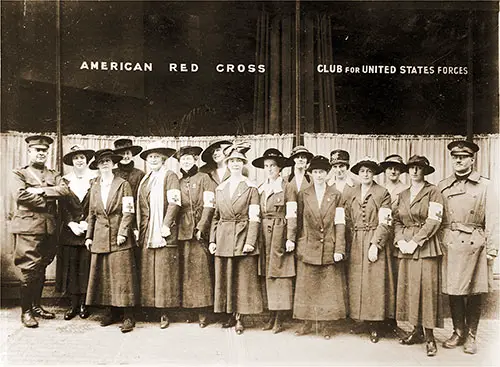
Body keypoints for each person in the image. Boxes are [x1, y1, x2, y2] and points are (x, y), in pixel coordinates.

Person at [438, 140, 498, 354]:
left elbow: (493, 217)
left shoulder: (485, 185)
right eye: (455, 157)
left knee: (474, 291)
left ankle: (471, 335)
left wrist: (492, 248)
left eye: (463, 157)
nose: (458, 160)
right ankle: (458, 331)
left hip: (475, 243)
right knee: (453, 290)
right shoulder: (443, 186)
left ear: (472, 160)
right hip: (450, 243)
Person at [11, 135, 70, 328]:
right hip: (29, 227)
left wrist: (39, 191)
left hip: (49, 227)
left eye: (44, 151)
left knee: (42, 266)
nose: (41, 154)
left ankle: (36, 306)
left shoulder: (54, 174)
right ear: (29, 152)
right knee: (29, 268)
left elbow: (64, 191)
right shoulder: (19, 173)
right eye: (37, 150)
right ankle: (26, 312)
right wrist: (47, 199)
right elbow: (20, 195)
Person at [209, 142, 263, 335]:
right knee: (227, 278)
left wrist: (250, 241)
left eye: (239, 161)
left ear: (244, 164)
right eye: (232, 161)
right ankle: (230, 314)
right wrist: (212, 240)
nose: (235, 164)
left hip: (242, 237)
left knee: (242, 280)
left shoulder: (251, 188)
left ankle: (241, 317)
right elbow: (216, 217)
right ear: (227, 163)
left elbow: (255, 217)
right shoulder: (220, 188)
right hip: (224, 237)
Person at [393, 155, 444, 357]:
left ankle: (430, 336)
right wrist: (400, 241)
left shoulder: (433, 192)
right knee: (410, 289)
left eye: (419, 168)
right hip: (405, 247)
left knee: (427, 290)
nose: (414, 171)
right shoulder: (403, 194)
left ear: (425, 171)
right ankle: (416, 330)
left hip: (425, 246)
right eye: (412, 168)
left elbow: (434, 220)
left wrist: (416, 241)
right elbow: (396, 220)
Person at [293, 155, 348, 339]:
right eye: (315, 172)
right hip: (308, 246)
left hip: (329, 247)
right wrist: (299, 243)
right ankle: (307, 322)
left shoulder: (336, 195)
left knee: (327, 288)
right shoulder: (303, 194)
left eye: (322, 172)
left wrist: (339, 248)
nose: (318, 175)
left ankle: (326, 325)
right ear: (310, 173)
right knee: (307, 286)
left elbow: (340, 223)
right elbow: (299, 221)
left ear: (327, 173)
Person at [85, 149, 139, 333]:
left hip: (119, 237)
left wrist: (123, 232)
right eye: (102, 162)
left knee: (123, 277)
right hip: (100, 237)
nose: (105, 164)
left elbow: (128, 211)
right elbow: (91, 214)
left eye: (108, 161)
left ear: (113, 164)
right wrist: (89, 236)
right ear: (98, 166)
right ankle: (111, 312)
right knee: (105, 276)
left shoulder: (123, 184)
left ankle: (128, 316)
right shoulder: (95, 186)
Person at [344, 157, 395, 343]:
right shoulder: (351, 192)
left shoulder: (383, 193)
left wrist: (376, 244)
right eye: (362, 171)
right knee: (357, 281)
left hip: (374, 238)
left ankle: (375, 325)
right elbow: (347, 218)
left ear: (374, 174)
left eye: (369, 171)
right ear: (358, 174)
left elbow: (386, 221)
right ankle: (362, 320)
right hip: (356, 240)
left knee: (374, 282)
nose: (365, 174)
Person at [136, 141, 181, 329]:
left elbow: (175, 203)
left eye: (156, 156)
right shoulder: (146, 179)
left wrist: (166, 225)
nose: (153, 160)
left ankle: (165, 312)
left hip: (163, 231)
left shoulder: (170, 176)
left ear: (163, 159)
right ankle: (151, 308)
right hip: (148, 231)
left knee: (164, 273)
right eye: (150, 157)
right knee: (148, 271)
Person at [252, 149, 295, 334]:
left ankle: (280, 317)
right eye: (267, 166)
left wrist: (290, 238)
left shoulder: (288, 187)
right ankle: (270, 314)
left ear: (280, 168)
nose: (269, 169)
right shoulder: (261, 188)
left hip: (280, 233)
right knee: (267, 275)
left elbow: (292, 214)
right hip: (264, 234)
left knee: (280, 276)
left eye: (273, 166)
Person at [176, 145, 216, 328]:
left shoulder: (204, 178)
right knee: (186, 272)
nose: (186, 161)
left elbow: (209, 205)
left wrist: (201, 226)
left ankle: (203, 312)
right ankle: (190, 309)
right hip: (183, 231)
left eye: (189, 158)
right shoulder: (177, 181)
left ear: (195, 160)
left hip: (200, 230)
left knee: (201, 272)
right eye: (183, 159)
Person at [56, 145, 96, 320]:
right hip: (70, 231)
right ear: (72, 162)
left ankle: (84, 305)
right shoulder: (65, 181)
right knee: (71, 267)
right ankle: (73, 304)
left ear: (87, 160)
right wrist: (71, 223)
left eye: (82, 157)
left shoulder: (95, 179)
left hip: (90, 229)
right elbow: (62, 206)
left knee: (86, 266)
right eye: (76, 158)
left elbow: (97, 204)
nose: (79, 160)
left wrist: (87, 223)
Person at [379, 154, 408, 338]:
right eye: (390, 167)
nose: (393, 171)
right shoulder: (379, 189)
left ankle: (394, 321)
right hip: (382, 239)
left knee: (396, 280)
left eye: (397, 168)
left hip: (397, 239)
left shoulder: (405, 190)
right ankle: (381, 319)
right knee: (382, 279)